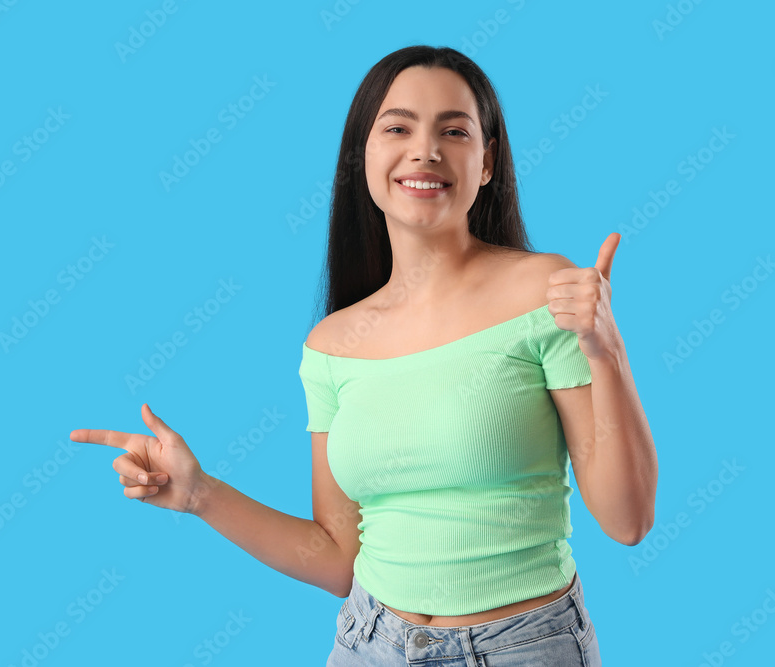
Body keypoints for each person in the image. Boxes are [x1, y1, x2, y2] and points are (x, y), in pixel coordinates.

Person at [70, 45, 657, 666]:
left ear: (487, 163)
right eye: (398, 127)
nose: (425, 150)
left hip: (523, 649)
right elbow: (336, 557)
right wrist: (199, 495)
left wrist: (606, 353)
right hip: (369, 645)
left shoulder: (544, 292)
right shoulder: (330, 346)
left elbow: (627, 521)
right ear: (365, 157)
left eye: (454, 131)